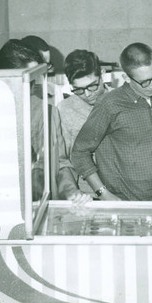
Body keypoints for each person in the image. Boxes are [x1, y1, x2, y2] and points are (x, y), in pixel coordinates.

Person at [70, 43, 152, 201]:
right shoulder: (109, 104)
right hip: (126, 203)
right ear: (126, 77)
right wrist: (103, 193)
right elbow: (79, 153)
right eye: (145, 82)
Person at [0, 39, 76, 202]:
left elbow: (59, 162)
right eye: (28, 81)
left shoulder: (45, 111)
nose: (33, 87)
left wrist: (71, 191)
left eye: (35, 79)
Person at [56, 50, 111, 203]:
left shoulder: (120, 100)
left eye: (92, 86)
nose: (87, 94)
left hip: (124, 192)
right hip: (88, 196)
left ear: (102, 74)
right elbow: (63, 160)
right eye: (79, 90)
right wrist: (72, 192)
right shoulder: (64, 109)